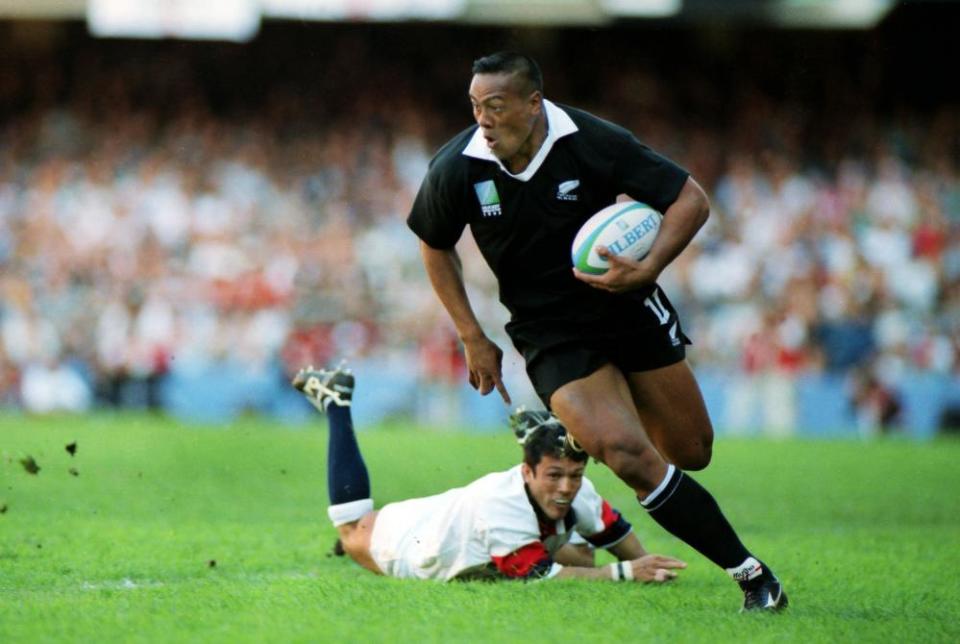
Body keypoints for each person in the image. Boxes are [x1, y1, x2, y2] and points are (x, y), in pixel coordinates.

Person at [406, 52, 787, 610]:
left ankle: (615, 436)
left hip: (626, 306)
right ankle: (754, 576)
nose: (482, 120)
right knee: (627, 454)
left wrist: (651, 265)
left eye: (495, 106)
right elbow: (433, 244)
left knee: (692, 450)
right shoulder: (458, 166)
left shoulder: (591, 140)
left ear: (533, 104)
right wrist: (471, 334)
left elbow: (690, 200)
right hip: (549, 332)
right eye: (475, 106)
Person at [292, 364, 687, 583]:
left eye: (574, 474)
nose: (567, 487)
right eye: (553, 476)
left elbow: (617, 537)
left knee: (581, 555)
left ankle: (540, 430)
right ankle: (336, 402)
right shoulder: (505, 508)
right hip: (415, 544)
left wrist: (653, 566)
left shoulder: (578, 491)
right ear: (527, 470)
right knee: (353, 530)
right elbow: (539, 578)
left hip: (459, 517)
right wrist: (625, 573)